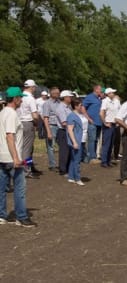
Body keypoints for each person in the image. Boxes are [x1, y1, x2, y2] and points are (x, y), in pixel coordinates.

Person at [0, 87, 37, 227]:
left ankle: (2, 215)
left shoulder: (2, 112)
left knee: (2, 187)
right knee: (20, 188)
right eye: (20, 98)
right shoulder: (11, 114)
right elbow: (10, 136)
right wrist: (16, 158)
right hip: (11, 157)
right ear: (15, 99)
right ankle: (21, 217)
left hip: (2, 157)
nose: (21, 100)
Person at [17, 79, 41, 178]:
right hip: (28, 122)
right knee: (27, 148)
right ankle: (26, 170)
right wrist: (36, 124)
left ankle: (30, 166)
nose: (35, 89)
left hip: (19, 123)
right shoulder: (31, 98)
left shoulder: (20, 96)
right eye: (34, 87)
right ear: (32, 87)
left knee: (23, 146)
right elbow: (35, 115)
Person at [66, 98, 86, 186]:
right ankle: (77, 178)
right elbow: (70, 129)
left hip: (81, 139)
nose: (82, 106)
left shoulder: (80, 114)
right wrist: (74, 142)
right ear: (76, 106)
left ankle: (71, 177)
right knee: (77, 160)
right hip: (76, 141)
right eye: (81, 105)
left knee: (73, 159)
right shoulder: (71, 116)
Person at [99, 88, 120, 168]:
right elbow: (102, 113)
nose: (113, 94)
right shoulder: (105, 101)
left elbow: (118, 111)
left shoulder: (116, 101)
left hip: (114, 123)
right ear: (108, 94)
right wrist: (105, 122)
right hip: (108, 124)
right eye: (112, 92)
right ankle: (104, 161)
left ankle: (108, 160)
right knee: (107, 143)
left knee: (111, 144)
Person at [82, 85, 102, 163]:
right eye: (100, 90)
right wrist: (88, 118)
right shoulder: (89, 97)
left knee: (96, 140)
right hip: (92, 122)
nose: (101, 91)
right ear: (96, 90)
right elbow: (83, 108)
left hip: (99, 123)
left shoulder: (99, 99)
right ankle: (91, 157)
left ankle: (94, 155)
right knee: (92, 139)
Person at [56, 90, 74, 176]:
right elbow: (64, 122)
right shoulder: (61, 108)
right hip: (63, 131)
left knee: (69, 151)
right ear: (65, 97)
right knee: (64, 151)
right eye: (70, 97)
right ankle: (62, 170)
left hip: (68, 130)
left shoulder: (68, 107)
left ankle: (67, 168)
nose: (71, 98)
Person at [43, 87, 61, 171]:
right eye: (57, 93)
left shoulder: (59, 102)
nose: (58, 94)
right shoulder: (47, 103)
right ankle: (52, 165)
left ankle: (62, 163)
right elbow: (46, 118)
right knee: (51, 146)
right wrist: (48, 131)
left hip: (60, 126)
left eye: (59, 93)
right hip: (52, 125)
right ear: (52, 94)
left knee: (61, 145)